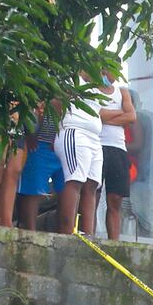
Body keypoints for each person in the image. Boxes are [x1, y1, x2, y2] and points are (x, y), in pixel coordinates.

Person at [54, 89, 103, 235]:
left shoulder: (96, 87)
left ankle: (88, 236)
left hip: (94, 138)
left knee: (92, 185)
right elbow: (55, 103)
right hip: (74, 132)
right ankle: (67, 232)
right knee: (75, 180)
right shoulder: (71, 78)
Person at [98, 74, 136, 240]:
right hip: (97, 145)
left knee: (115, 199)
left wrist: (105, 117)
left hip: (118, 148)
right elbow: (95, 115)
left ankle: (114, 242)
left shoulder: (123, 92)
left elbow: (131, 116)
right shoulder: (92, 90)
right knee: (92, 195)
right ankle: (89, 235)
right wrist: (120, 114)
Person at [17, 110, 63, 232]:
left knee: (66, 189)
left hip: (63, 141)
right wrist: (31, 134)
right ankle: (29, 230)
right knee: (34, 188)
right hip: (39, 142)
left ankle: (65, 231)